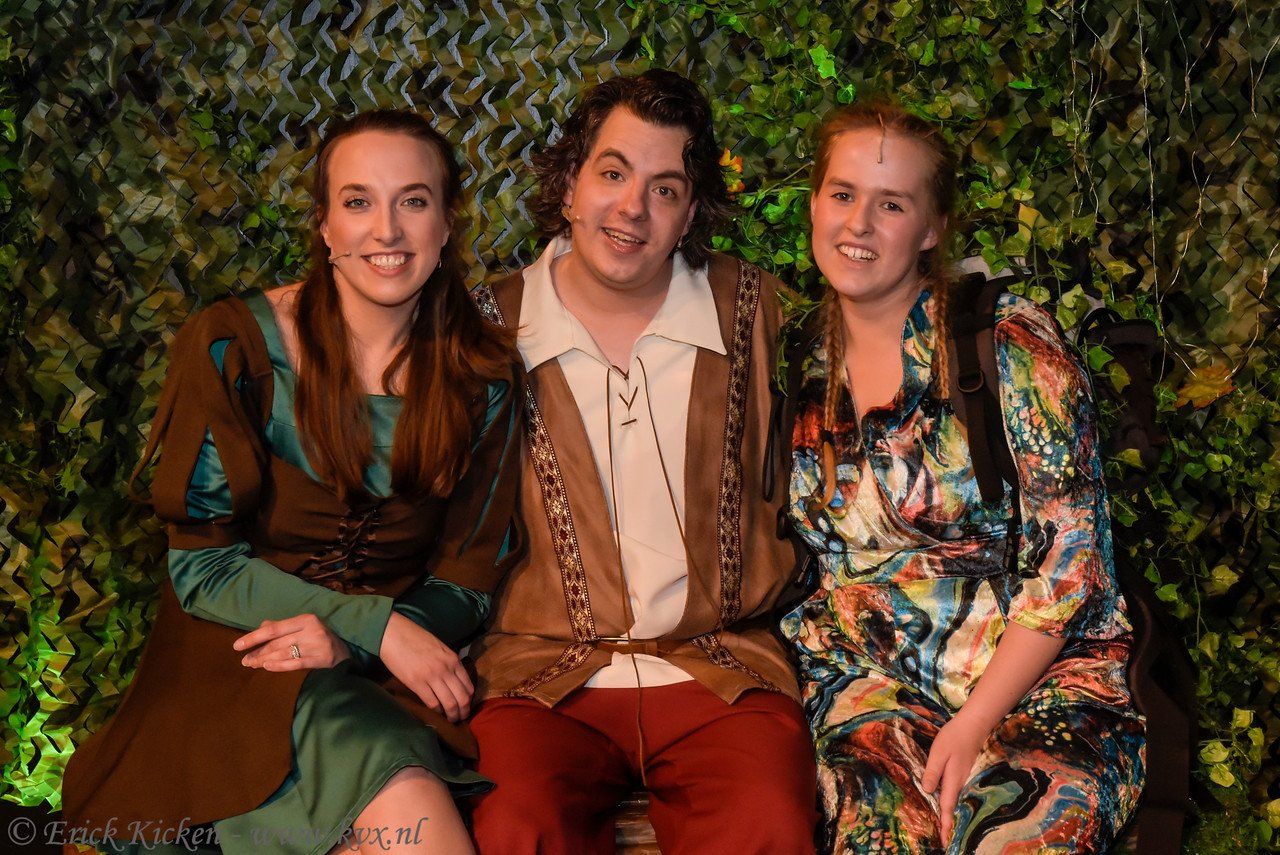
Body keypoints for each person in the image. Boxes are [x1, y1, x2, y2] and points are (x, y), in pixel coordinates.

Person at [60, 109, 523, 855]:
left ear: (446, 225)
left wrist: (365, 642)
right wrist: (373, 625)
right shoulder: (235, 345)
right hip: (237, 654)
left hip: (378, 673)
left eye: (413, 201)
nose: (387, 230)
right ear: (324, 226)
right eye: (357, 201)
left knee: (399, 789)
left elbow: (467, 575)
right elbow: (203, 567)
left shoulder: (483, 375)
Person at [465, 69, 819, 854]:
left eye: (665, 189)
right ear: (569, 184)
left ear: (690, 213)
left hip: (722, 667)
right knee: (514, 822)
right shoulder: (485, 331)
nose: (633, 208)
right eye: (613, 173)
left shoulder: (759, 314)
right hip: (539, 675)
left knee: (769, 820)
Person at [780, 102, 1147, 854]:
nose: (858, 224)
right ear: (814, 204)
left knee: (1009, 840)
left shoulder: (1005, 343)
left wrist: (975, 724)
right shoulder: (796, 362)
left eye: (892, 204)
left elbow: (1070, 567)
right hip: (870, 685)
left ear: (932, 228)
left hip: (1038, 684)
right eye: (843, 194)